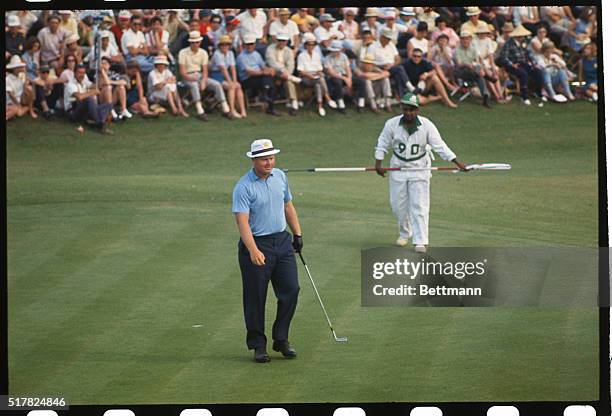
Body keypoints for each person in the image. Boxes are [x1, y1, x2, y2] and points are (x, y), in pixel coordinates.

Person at [232, 138, 303, 363]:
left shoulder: (280, 176)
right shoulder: (243, 186)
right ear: (254, 160)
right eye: (264, 159)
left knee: (291, 289)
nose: (268, 162)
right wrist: (252, 249)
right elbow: (242, 222)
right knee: (255, 298)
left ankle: (281, 339)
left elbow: (288, 205)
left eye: (271, 157)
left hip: (282, 242)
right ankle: (258, 346)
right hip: (257, 244)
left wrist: (298, 234)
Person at [374, 92, 467, 253]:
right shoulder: (391, 124)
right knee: (398, 206)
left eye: (412, 109)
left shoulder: (427, 125)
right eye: (406, 109)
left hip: (420, 169)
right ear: (402, 108)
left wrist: (457, 162)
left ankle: (420, 241)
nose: (409, 112)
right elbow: (382, 143)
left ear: (418, 110)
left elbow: (440, 146)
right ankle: (405, 232)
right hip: (398, 168)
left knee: (419, 205)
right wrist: (378, 164)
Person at [178, 31, 234, 121]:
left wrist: (203, 81)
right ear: (190, 42)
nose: (195, 44)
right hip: (188, 76)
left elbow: (205, 70)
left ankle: (225, 108)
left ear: (200, 42)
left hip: (199, 75)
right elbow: (182, 71)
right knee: (194, 85)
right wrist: (190, 77)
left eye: (197, 42)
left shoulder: (203, 52)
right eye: (193, 42)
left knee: (216, 84)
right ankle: (200, 110)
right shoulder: (183, 52)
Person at [497, 24, 544, 105]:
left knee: (537, 72)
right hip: (512, 65)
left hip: (523, 63)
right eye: (521, 36)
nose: (522, 37)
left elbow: (528, 55)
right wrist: (512, 64)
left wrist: (533, 64)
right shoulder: (508, 44)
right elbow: (503, 57)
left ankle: (538, 92)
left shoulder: (524, 43)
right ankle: (524, 96)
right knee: (523, 74)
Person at [236, 34, 279, 116]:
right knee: (268, 80)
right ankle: (269, 103)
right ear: (244, 45)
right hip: (246, 79)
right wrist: (264, 72)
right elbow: (249, 72)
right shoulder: (241, 57)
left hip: (259, 77)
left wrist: (270, 70)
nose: (249, 46)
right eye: (248, 44)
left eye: (251, 44)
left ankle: (266, 95)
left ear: (254, 45)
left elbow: (263, 66)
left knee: (270, 79)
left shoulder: (256, 54)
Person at [64, 64, 113, 134]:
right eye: (79, 72)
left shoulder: (84, 82)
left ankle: (98, 122)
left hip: (84, 111)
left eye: (83, 73)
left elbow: (98, 85)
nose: (82, 75)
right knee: (89, 99)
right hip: (73, 111)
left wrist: (102, 71)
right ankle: (99, 125)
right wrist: (92, 92)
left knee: (109, 105)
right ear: (75, 73)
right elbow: (79, 97)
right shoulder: (70, 84)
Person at [297, 33, 335, 117]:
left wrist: (319, 72)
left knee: (318, 83)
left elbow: (319, 69)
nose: (311, 47)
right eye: (309, 45)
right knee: (320, 80)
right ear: (306, 46)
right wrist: (309, 75)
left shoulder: (316, 55)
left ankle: (320, 105)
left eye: (313, 45)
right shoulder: (301, 55)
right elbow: (300, 71)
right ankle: (327, 97)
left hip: (315, 77)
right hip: (306, 77)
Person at [210, 35, 246, 118]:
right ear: (220, 46)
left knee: (238, 85)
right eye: (223, 44)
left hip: (224, 74)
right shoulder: (217, 54)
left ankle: (242, 110)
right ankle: (232, 110)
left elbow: (232, 67)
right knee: (231, 87)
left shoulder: (230, 53)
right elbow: (222, 69)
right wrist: (230, 82)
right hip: (216, 74)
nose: (225, 46)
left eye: (227, 44)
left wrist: (234, 80)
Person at [453, 31, 492, 108]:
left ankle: (485, 95)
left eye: (467, 39)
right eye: (463, 39)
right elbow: (459, 64)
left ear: (470, 39)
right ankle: (488, 79)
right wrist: (468, 65)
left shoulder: (473, 49)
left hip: (473, 71)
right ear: (460, 40)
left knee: (479, 76)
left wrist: (479, 68)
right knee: (477, 73)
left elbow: (477, 62)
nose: (465, 41)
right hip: (461, 71)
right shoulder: (457, 50)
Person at [265, 34, 301, 115]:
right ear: (277, 41)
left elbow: (291, 65)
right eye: (280, 40)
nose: (281, 42)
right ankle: (294, 104)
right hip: (273, 72)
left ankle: (294, 105)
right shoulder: (270, 48)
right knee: (283, 76)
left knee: (288, 82)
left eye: (283, 41)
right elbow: (271, 62)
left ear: (286, 42)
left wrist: (286, 73)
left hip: (285, 74)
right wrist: (283, 71)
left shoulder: (288, 51)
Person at [324, 40, 352, 114]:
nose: (335, 52)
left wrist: (349, 78)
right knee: (337, 82)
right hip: (332, 77)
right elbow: (331, 72)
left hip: (344, 75)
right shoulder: (327, 58)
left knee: (361, 81)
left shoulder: (344, 56)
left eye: (337, 51)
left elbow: (348, 68)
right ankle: (340, 102)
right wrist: (345, 78)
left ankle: (360, 103)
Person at [6, 55, 37, 121]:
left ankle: (30, 110)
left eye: (20, 67)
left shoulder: (21, 76)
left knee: (29, 89)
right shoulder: (8, 79)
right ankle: (26, 108)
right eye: (18, 67)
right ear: (14, 69)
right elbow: (11, 95)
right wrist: (18, 105)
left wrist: (24, 73)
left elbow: (26, 86)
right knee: (18, 113)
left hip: (20, 99)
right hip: (10, 102)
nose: (21, 68)